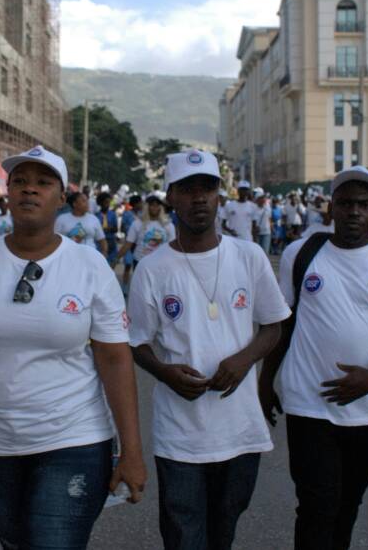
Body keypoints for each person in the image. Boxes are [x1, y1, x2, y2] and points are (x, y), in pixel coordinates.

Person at [0, 145, 146, 549]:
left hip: (74, 438)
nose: (29, 191)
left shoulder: (90, 267)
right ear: (7, 193)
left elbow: (115, 360)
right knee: (18, 542)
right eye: (19, 182)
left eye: (42, 183)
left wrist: (132, 451)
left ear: (61, 198)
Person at [128, 149, 290, 550]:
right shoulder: (152, 268)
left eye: (208, 188)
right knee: (184, 536)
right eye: (187, 189)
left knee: (223, 531)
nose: (199, 198)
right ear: (170, 197)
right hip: (180, 434)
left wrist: (244, 359)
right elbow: (137, 343)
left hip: (239, 430)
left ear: (221, 196)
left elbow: (274, 325)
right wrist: (165, 372)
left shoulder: (248, 257)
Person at [260, 165, 368, 550]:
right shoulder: (302, 253)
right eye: (345, 203)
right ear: (330, 208)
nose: (354, 212)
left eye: (364, 204)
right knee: (317, 505)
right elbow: (281, 325)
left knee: (348, 505)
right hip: (308, 406)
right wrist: (265, 383)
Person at [116, 193, 175, 269]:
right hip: (140, 262)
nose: (155, 207)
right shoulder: (137, 224)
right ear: (147, 207)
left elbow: (173, 245)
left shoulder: (168, 225)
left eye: (157, 205)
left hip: (161, 263)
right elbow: (128, 244)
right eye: (152, 205)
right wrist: (116, 259)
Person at [55, 191, 108, 257]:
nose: (87, 203)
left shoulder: (94, 219)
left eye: (87, 201)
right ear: (75, 204)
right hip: (67, 257)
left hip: (90, 259)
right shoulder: (62, 219)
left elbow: (102, 241)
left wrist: (103, 256)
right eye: (83, 201)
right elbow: (53, 240)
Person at [121, 195, 143, 285]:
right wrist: (130, 230)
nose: (142, 204)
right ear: (135, 204)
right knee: (128, 265)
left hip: (139, 244)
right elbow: (122, 228)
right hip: (129, 243)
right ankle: (125, 288)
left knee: (138, 267)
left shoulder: (143, 215)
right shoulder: (127, 214)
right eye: (140, 202)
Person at [97, 192, 119, 265]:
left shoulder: (112, 214)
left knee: (112, 262)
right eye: (106, 202)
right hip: (100, 243)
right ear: (100, 203)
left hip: (111, 241)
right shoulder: (96, 215)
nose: (108, 205)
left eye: (109, 202)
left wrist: (105, 229)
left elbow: (116, 229)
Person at [254, 188, 273, 255]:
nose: (263, 199)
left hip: (266, 233)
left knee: (265, 253)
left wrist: (271, 228)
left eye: (263, 198)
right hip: (257, 233)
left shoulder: (268, 208)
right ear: (257, 199)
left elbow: (270, 219)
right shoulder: (253, 208)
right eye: (261, 198)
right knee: (257, 253)